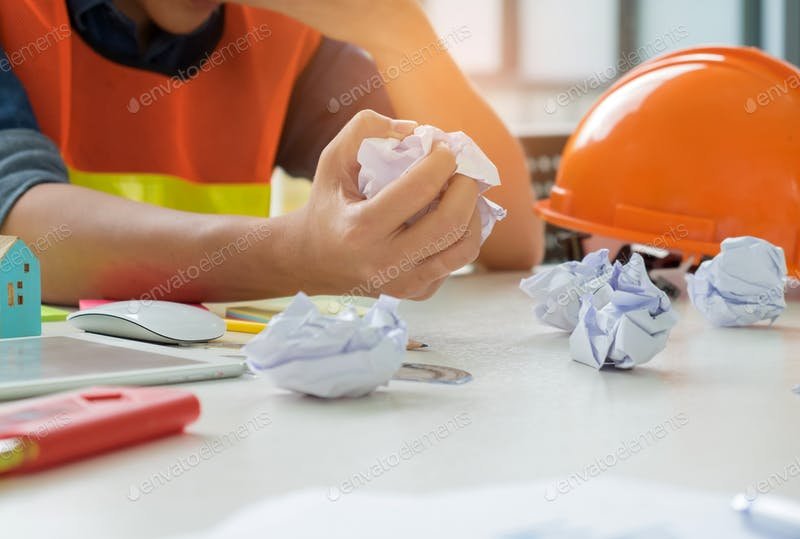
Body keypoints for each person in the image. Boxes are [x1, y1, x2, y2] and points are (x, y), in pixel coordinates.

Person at [0, 0, 543, 305]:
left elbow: (513, 236)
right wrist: (296, 254)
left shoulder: (275, 35)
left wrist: (397, 29)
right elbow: (22, 240)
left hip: (211, 413)